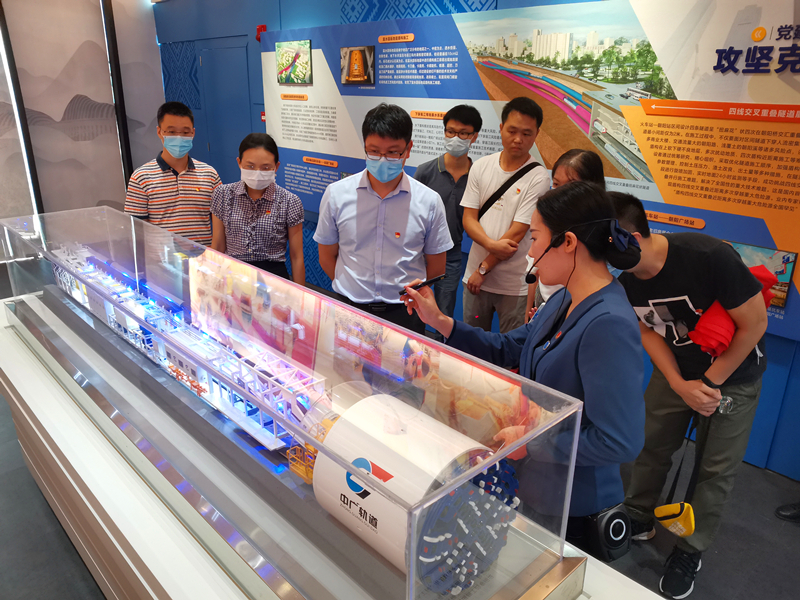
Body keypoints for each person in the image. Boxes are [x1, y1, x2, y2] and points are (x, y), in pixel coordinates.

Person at [402, 181, 645, 554]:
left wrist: (532, 443)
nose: (531, 251)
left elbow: (619, 440)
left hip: (573, 506)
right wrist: (440, 321)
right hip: (537, 488)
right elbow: (510, 347)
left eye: (535, 238)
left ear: (567, 242)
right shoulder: (564, 298)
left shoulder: (608, 323)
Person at [611, 192, 768, 599]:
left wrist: (710, 384)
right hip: (676, 371)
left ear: (631, 237)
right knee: (651, 442)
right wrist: (679, 383)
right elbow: (646, 329)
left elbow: (755, 324)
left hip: (733, 376)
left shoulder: (707, 256)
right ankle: (639, 513)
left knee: (715, 466)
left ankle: (690, 549)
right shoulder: (624, 280)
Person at [314, 103, 452, 335]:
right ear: (365, 147)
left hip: (405, 312)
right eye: (374, 151)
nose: (382, 159)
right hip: (349, 307)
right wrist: (353, 288)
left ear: (408, 149)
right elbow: (326, 256)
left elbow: (436, 266)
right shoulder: (337, 194)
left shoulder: (429, 201)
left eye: (393, 152)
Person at [461, 97, 550, 333]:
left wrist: (484, 268)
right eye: (512, 131)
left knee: (510, 348)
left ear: (536, 134)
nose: (518, 139)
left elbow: (518, 231)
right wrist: (490, 247)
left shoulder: (539, 177)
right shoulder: (481, 166)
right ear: (501, 128)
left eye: (527, 133)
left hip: (513, 284)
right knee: (471, 343)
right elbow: (468, 218)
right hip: (475, 279)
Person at [414, 105, 482, 338]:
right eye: (450, 131)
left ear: (474, 136)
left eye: (463, 133)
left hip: (451, 257)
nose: (455, 138)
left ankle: (440, 353)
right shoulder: (425, 172)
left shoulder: (478, 176)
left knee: (444, 316)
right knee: (413, 308)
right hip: (418, 254)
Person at [210, 133, 304, 284]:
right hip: (232, 277)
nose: (257, 173)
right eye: (250, 166)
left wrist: (300, 295)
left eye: (265, 168)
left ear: (276, 167)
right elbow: (218, 246)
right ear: (239, 162)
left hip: (273, 279)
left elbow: (297, 256)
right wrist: (213, 284)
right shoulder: (223, 194)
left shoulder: (290, 201)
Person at [124, 101, 221, 245]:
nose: (179, 137)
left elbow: (221, 224)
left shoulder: (210, 175)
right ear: (159, 132)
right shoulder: (141, 177)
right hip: (162, 258)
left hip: (202, 257)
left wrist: (214, 256)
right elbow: (136, 231)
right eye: (171, 132)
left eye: (185, 132)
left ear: (193, 133)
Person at [526, 149, 606, 320]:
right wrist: (529, 311)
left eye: (570, 186)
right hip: (544, 306)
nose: (560, 193)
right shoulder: (546, 219)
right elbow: (534, 269)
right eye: (556, 184)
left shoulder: (600, 235)